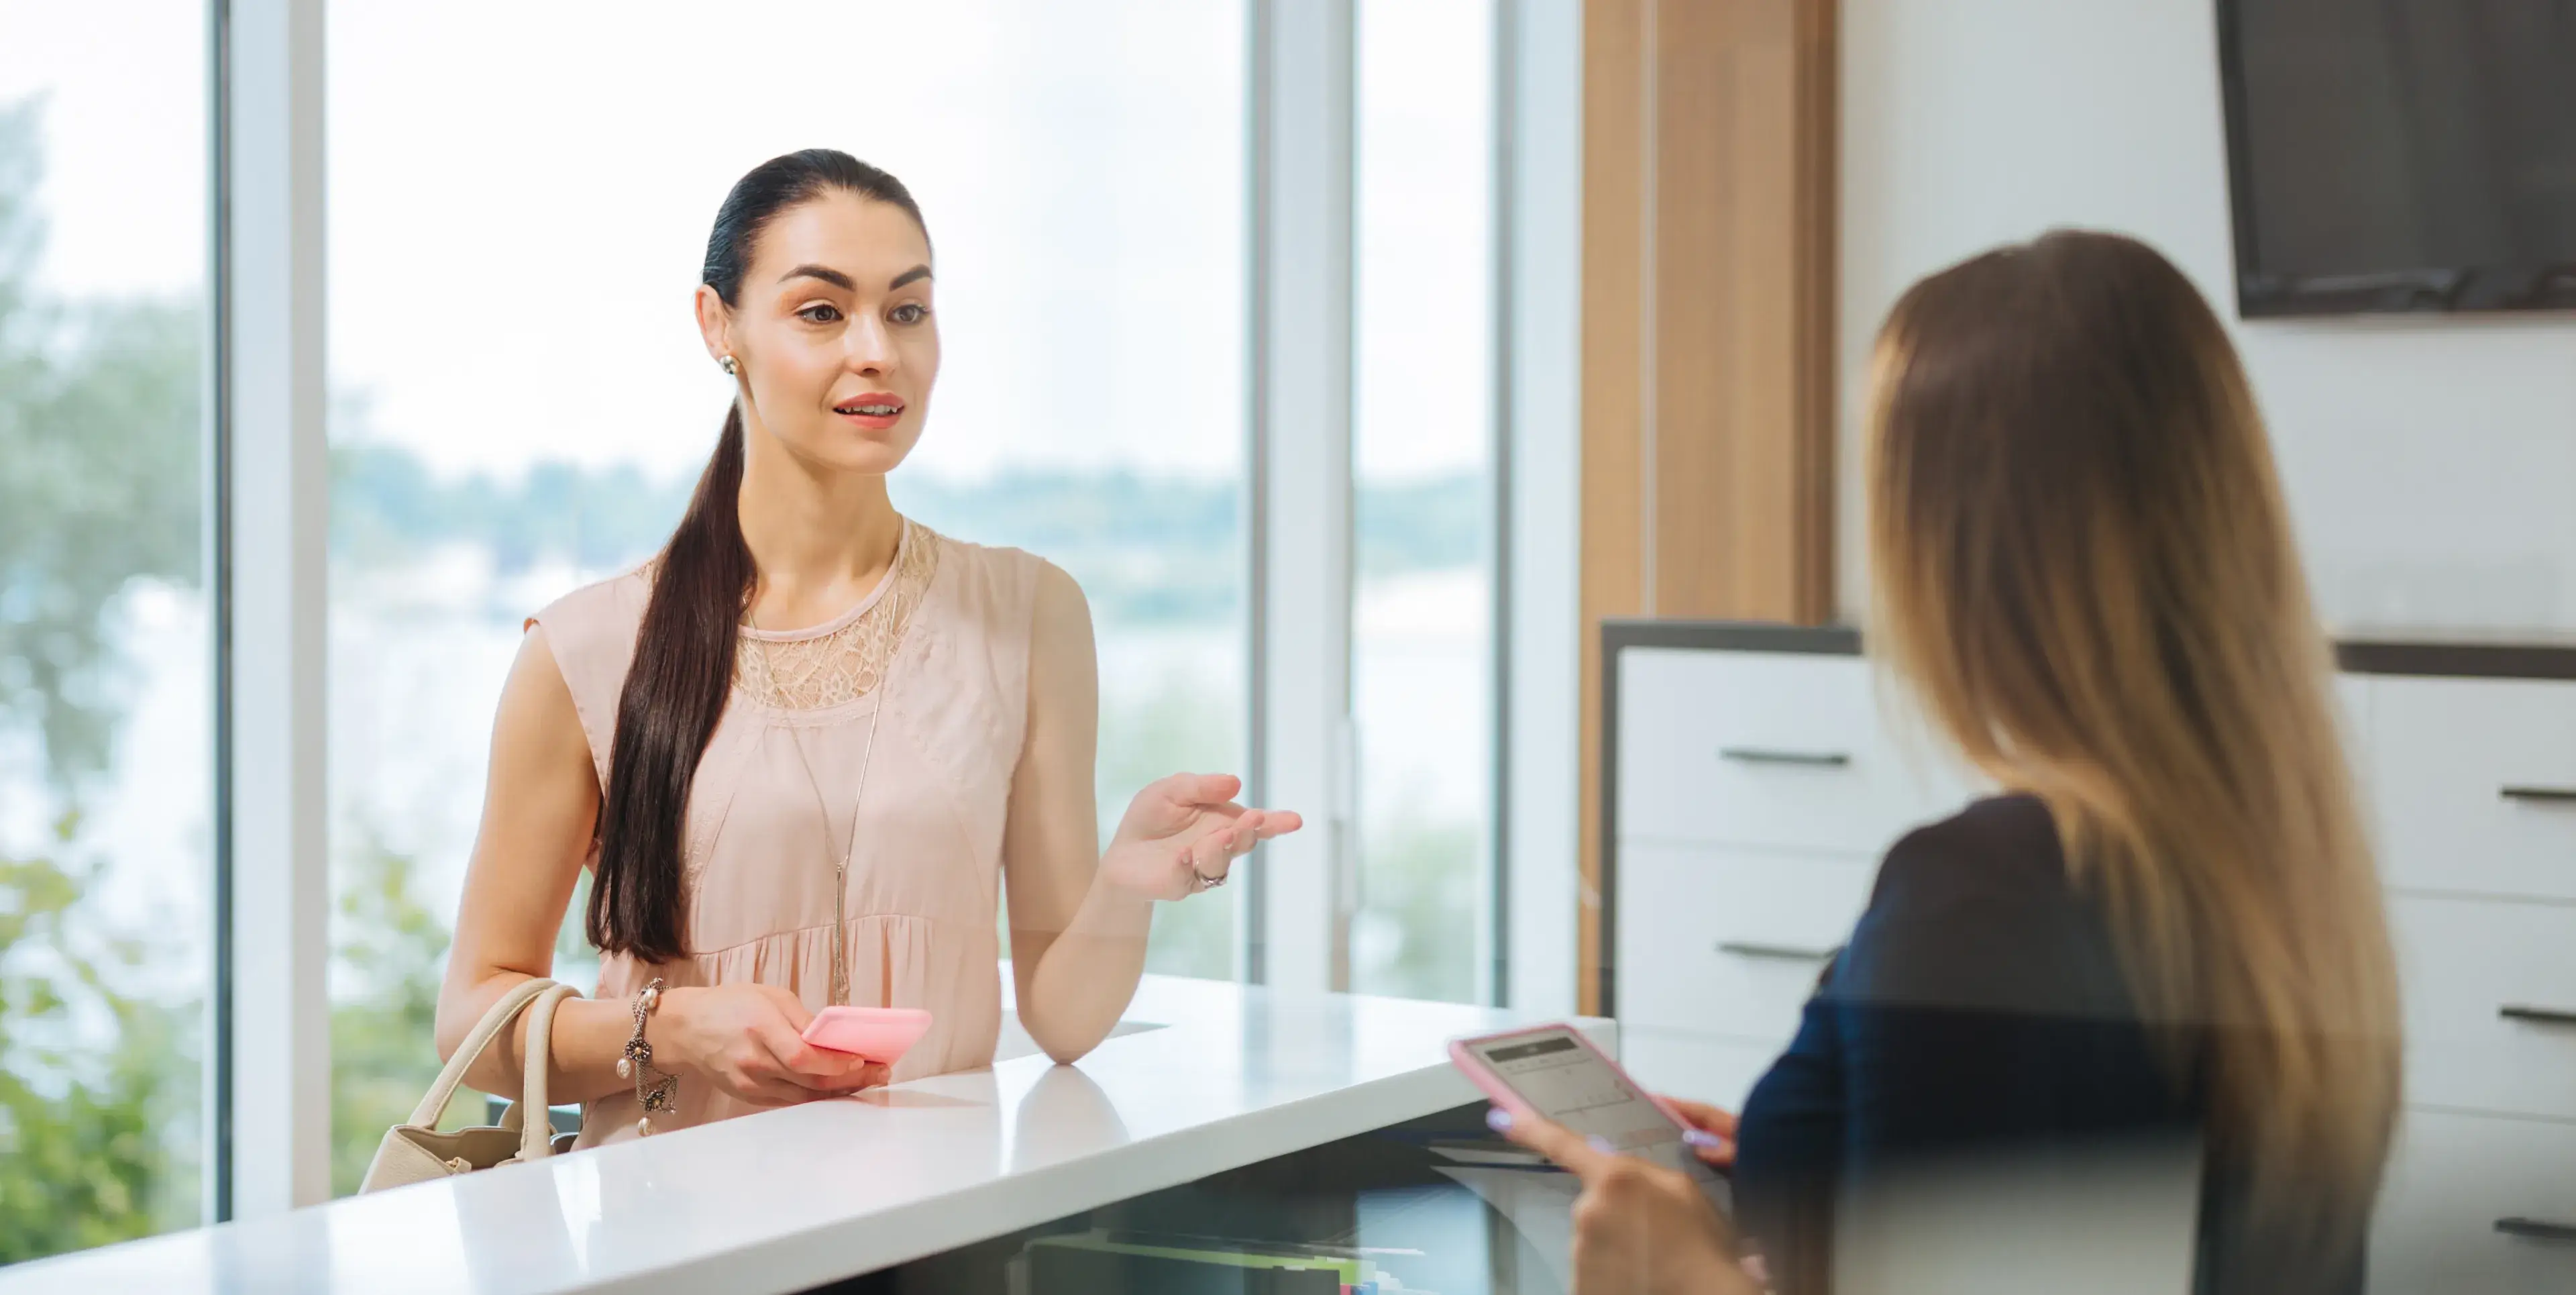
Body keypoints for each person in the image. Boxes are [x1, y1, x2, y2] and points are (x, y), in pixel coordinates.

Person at [1499, 230, 2400, 1294]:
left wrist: (1684, 1277)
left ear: (1961, 552)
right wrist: (1841, 1153)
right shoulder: (2275, 871)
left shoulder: (1986, 888)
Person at [435, 150, 1300, 1144]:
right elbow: (472, 1019)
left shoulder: (1028, 614)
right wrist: (674, 1028)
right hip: (671, 1240)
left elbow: (1064, 1020)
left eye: (907, 310)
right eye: (820, 312)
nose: (877, 352)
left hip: (941, 1236)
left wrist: (1124, 887)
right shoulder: (588, 651)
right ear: (720, 328)